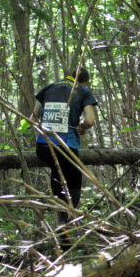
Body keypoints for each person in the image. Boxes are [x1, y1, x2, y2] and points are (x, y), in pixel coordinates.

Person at [31, 67, 97, 247]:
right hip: (66, 146)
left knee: (57, 174)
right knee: (74, 183)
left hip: (43, 146)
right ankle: (65, 223)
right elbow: (90, 120)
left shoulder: (49, 87)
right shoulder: (82, 90)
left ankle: (62, 224)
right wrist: (83, 126)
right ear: (85, 81)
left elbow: (35, 114)